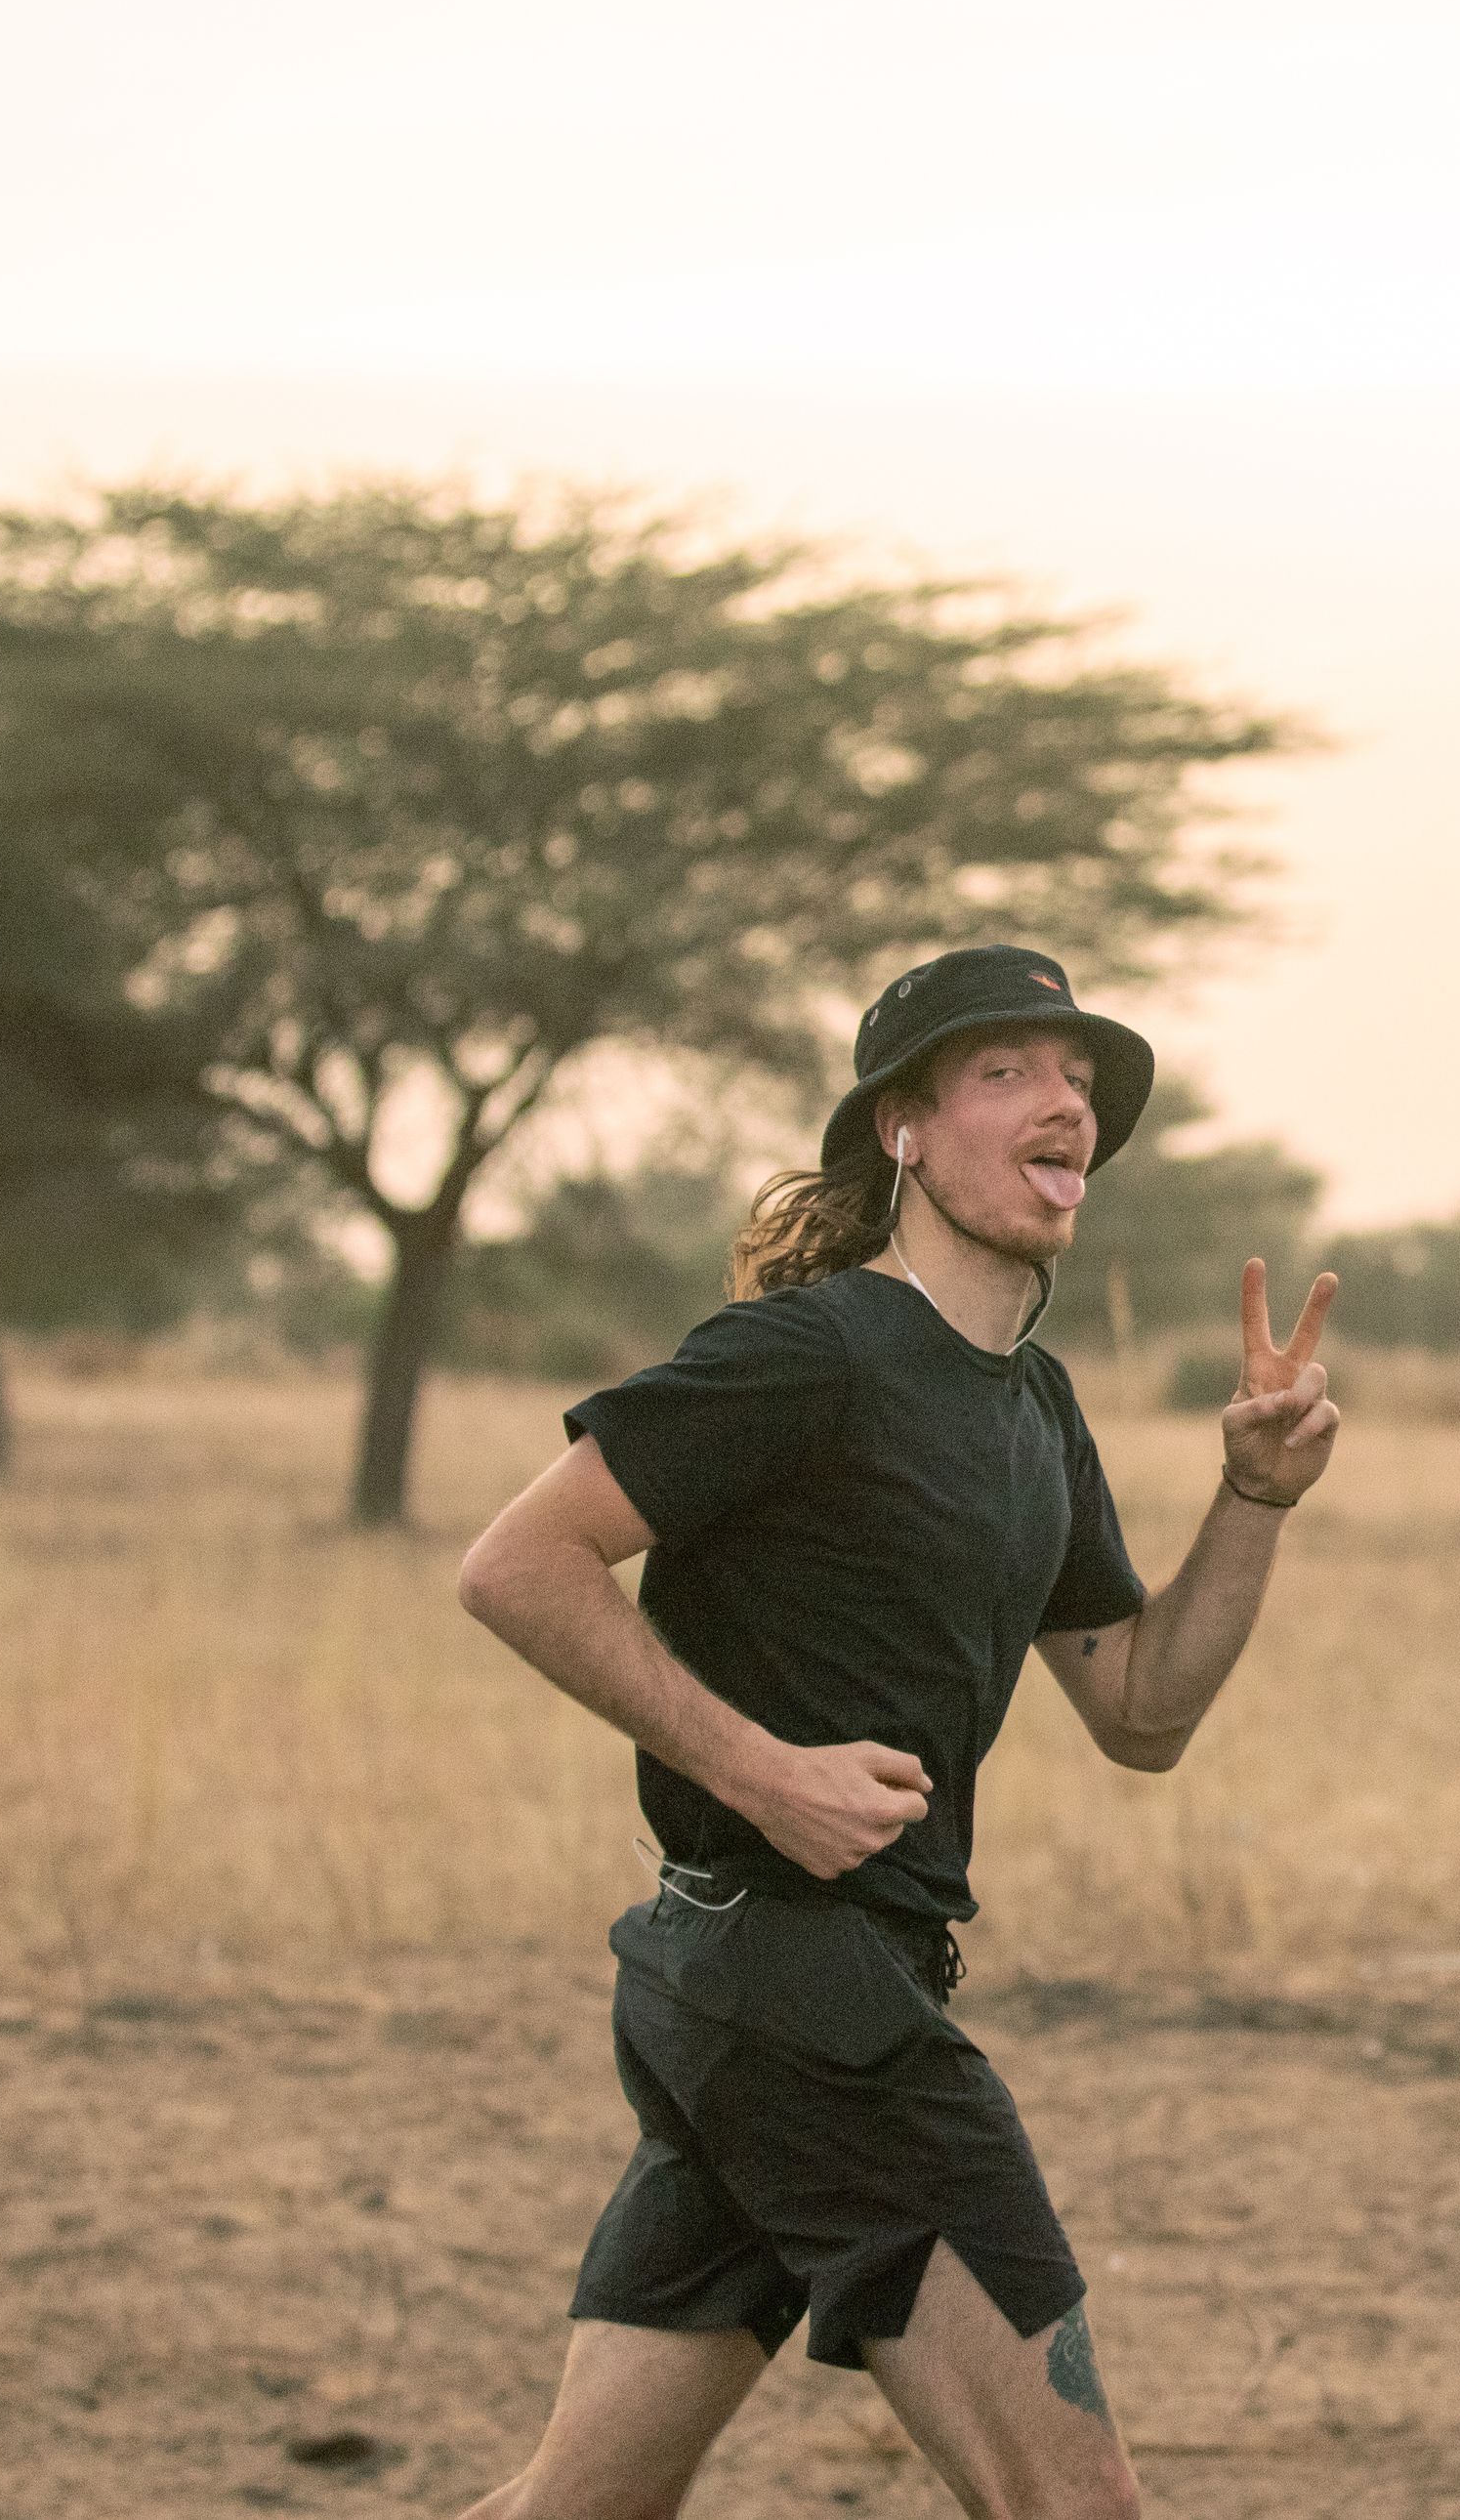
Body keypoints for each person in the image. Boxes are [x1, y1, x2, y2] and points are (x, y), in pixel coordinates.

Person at [448, 945, 1340, 2520]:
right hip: (800, 1987)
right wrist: (759, 1769)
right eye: (1004, 1072)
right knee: (1079, 2505)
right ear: (903, 1134)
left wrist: (1252, 1501)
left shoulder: (1031, 1404)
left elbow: (1141, 1709)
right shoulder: (810, 1351)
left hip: (768, 1992)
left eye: (1075, 1082)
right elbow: (517, 1563)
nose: (1061, 1101)